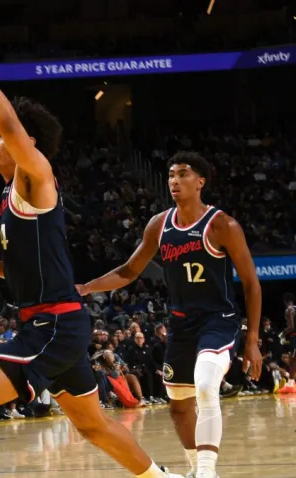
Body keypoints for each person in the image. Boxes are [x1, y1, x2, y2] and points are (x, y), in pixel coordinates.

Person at [0, 9, 182, 478]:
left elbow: (7, 122)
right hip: (56, 323)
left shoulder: (36, 177)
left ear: (27, 142)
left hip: (52, 326)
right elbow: (25, 271)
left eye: (1, 138)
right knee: (94, 426)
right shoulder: (10, 196)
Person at [78, 151, 262, 478]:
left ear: (200, 182)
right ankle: (194, 469)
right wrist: (87, 287)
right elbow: (129, 270)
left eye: (183, 174)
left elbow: (250, 282)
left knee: (206, 384)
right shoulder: (159, 224)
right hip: (180, 324)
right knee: (179, 406)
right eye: (171, 175)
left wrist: (252, 340)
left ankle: (207, 472)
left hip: (218, 321)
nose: (175, 180)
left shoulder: (222, 225)